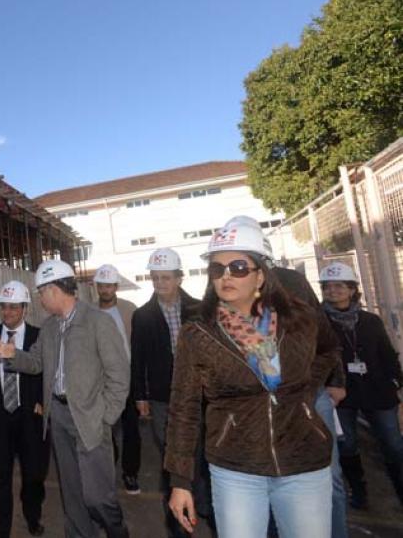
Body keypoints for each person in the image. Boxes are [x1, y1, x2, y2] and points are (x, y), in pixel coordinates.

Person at [166, 223, 339, 538]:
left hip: (303, 460)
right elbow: (183, 407)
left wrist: (304, 393)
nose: (226, 276)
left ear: (261, 274)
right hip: (235, 467)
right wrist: (180, 481)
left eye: (238, 267)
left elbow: (328, 351)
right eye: (217, 269)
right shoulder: (197, 333)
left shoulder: (300, 318)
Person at [224, 216, 348, 538]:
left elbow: (324, 337)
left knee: (328, 480)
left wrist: (332, 381)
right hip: (258, 404)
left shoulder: (292, 283)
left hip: (307, 396)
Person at [0, 259, 130, 538]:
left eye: (41, 291)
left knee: (97, 496)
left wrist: (106, 417)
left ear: (54, 289)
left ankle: (117, 531)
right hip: (60, 416)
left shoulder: (97, 322)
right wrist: (13, 355)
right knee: (72, 492)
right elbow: (37, 363)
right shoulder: (50, 327)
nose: (39, 298)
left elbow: (119, 375)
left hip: (90, 417)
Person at [130, 247, 205, 537]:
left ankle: (199, 501)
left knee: (198, 451)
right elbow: (138, 359)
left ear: (179, 278)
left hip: (198, 395)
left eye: (166, 277)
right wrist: (140, 396)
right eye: (155, 278)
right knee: (171, 454)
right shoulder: (143, 316)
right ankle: (177, 515)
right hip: (162, 398)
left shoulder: (199, 310)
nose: (160, 283)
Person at [320, 261, 403, 510]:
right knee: (347, 445)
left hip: (378, 392)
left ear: (353, 289)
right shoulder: (319, 323)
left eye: (339, 286)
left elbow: (387, 354)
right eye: (327, 287)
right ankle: (359, 492)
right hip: (342, 395)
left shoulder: (370, 321)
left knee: (393, 444)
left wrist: (396, 381)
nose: (333, 291)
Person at [0, 280, 49, 538]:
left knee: (33, 474)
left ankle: (33, 516)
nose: (8, 313)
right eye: (3, 307)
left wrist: (42, 401)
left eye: (14, 307)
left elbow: (45, 372)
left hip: (30, 416)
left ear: (25, 308)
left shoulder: (40, 336)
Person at [93, 264, 141, 495]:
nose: (105, 289)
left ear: (116, 287)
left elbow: (141, 347)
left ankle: (130, 473)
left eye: (109, 285)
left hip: (128, 379)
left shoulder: (131, 310)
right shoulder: (88, 313)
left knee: (131, 429)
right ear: (97, 287)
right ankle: (106, 470)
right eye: (101, 285)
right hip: (100, 382)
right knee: (104, 428)